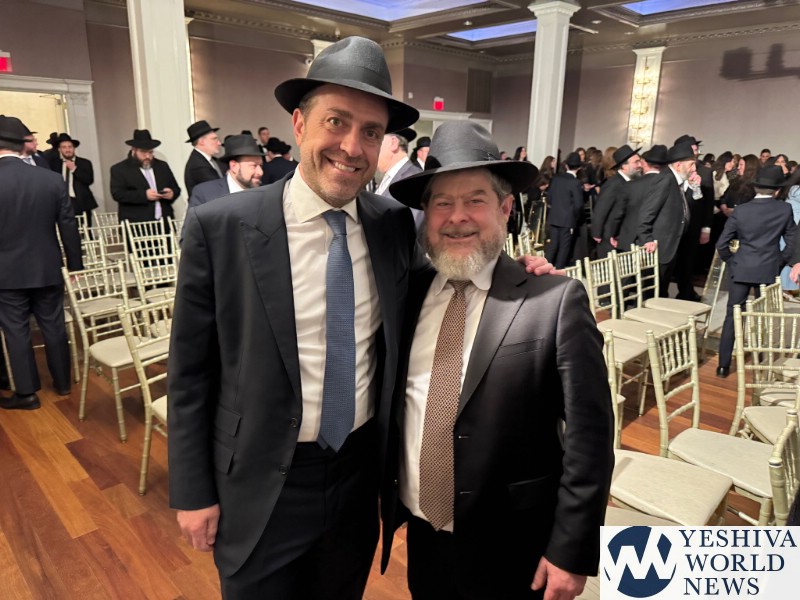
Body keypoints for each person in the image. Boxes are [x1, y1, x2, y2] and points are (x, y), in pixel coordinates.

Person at [168, 36, 425, 600]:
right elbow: (189, 372)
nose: (352, 147)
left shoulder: (392, 225)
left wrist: (522, 275)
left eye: (371, 132)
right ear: (300, 123)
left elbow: (445, 287)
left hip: (356, 475)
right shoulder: (221, 227)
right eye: (336, 122)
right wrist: (192, 490)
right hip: (259, 478)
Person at [381, 121, 613, 600]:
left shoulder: (554, 300)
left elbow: (590, 438)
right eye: (441, 203)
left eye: (475, 200)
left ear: (506, 208)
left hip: (514, 544)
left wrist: (571, 549)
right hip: (424, 535)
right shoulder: (407, 293)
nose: (457, 217)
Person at [0, 115, 83, 410]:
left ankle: (27, 393)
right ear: (21, 146)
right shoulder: (50, 178)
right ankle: (63, 383)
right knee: (54, 325)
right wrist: (75, 265)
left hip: (6, 273)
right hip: (46, 266)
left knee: (16, 330)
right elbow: (69, 225)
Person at [716, 166, 796, 377]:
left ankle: (723, 365)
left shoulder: (741, 210)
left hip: (741, 267)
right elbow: (791, 241)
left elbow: (722, 243)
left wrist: (732, 261)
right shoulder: (784, 209)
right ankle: (761, 359)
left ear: (755, 187)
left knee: (733, 314)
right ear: (777, 190)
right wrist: (780, 262)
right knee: (763, 315)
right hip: (768, 268)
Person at [638, 141, 695, 297]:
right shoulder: (666, 180)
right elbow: (646, 212)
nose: (693, 169)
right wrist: (646, 238)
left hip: (670, 245)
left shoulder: (676, 181)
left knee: (662, 289)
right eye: (691, 164)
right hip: (659, 247)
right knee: (654, 291)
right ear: (678, 165)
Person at [110, 129, 181, 223]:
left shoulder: (162, 166)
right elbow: (118, 194)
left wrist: (172, 194)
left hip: (164, 222)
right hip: (137, 223)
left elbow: (176, 188)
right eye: (143, 152)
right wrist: (144, 195)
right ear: (134, 150)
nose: (148, 156)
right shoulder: (120, 169)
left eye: (150, 152)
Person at [187, 134, 264, 211]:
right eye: (254, 166)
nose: (260, 172)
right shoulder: (204, 194)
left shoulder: (265, 193)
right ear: (234, 166)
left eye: (261, 165)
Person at [616, 144, 669, 252]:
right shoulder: (670, 184)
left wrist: (613, 233)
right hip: (659, 241)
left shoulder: (631, 185)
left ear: (646, 163)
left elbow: (619, 212)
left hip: (631, 238)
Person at [591, 144, 641, 257]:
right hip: (608, 237)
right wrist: (597, 233)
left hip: (622, 236)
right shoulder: (614, 184)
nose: (639, 165)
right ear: (624, 166)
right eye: (636, 162)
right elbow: (601, 209)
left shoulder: (632, 182)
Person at [375, 127, 423, 227]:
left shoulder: (412, 180)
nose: (372, 149)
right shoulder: (389, 176)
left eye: (377, 140)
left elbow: (412, 228)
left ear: (393, 143)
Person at [49, 133, 98, 227]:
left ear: (74, 148)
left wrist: (75, 169)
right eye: (64, 147)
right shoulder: (54, 164)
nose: (67, 150)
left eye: (70, 147)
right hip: (62, 202)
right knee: (65, 229)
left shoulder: (84, 163)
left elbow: (89, 180)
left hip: (80, 202)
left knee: (85, 230)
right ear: (59, 149)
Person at [545, 152, 585, 268]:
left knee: (553, 246)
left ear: (566, 165)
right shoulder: (575, 182)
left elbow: (549, 198)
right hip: (568, 220)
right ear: (579, 168)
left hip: (554, 217)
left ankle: (544, 268)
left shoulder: (556, 179)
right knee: (564, 248)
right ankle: (558, 271)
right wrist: (575, 218)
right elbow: (579, 205)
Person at [184, 119, 223, 196]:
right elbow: (218, 189)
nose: (219, 143)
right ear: (202, 142)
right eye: (214, 139)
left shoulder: (212, 160)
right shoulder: (198, 165)